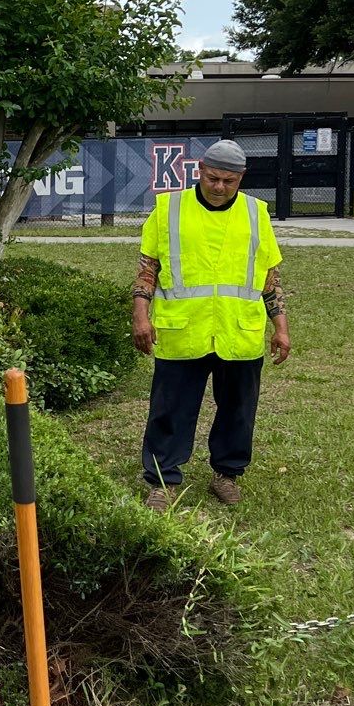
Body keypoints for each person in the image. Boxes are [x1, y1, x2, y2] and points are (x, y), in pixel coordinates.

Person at [130, 138, 290, 510]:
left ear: (241, 178)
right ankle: (163, 480)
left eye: (229, 181)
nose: (219, 187)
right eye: (213, 178)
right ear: (199, 170)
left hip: (240, 332)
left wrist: (280, 326)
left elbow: (270, 276)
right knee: (170, 409)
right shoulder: (169, 210)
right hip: (183, 330)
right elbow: (147, 269)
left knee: (238, 409)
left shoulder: (256, 213)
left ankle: (227, 473)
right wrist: (140, 315)